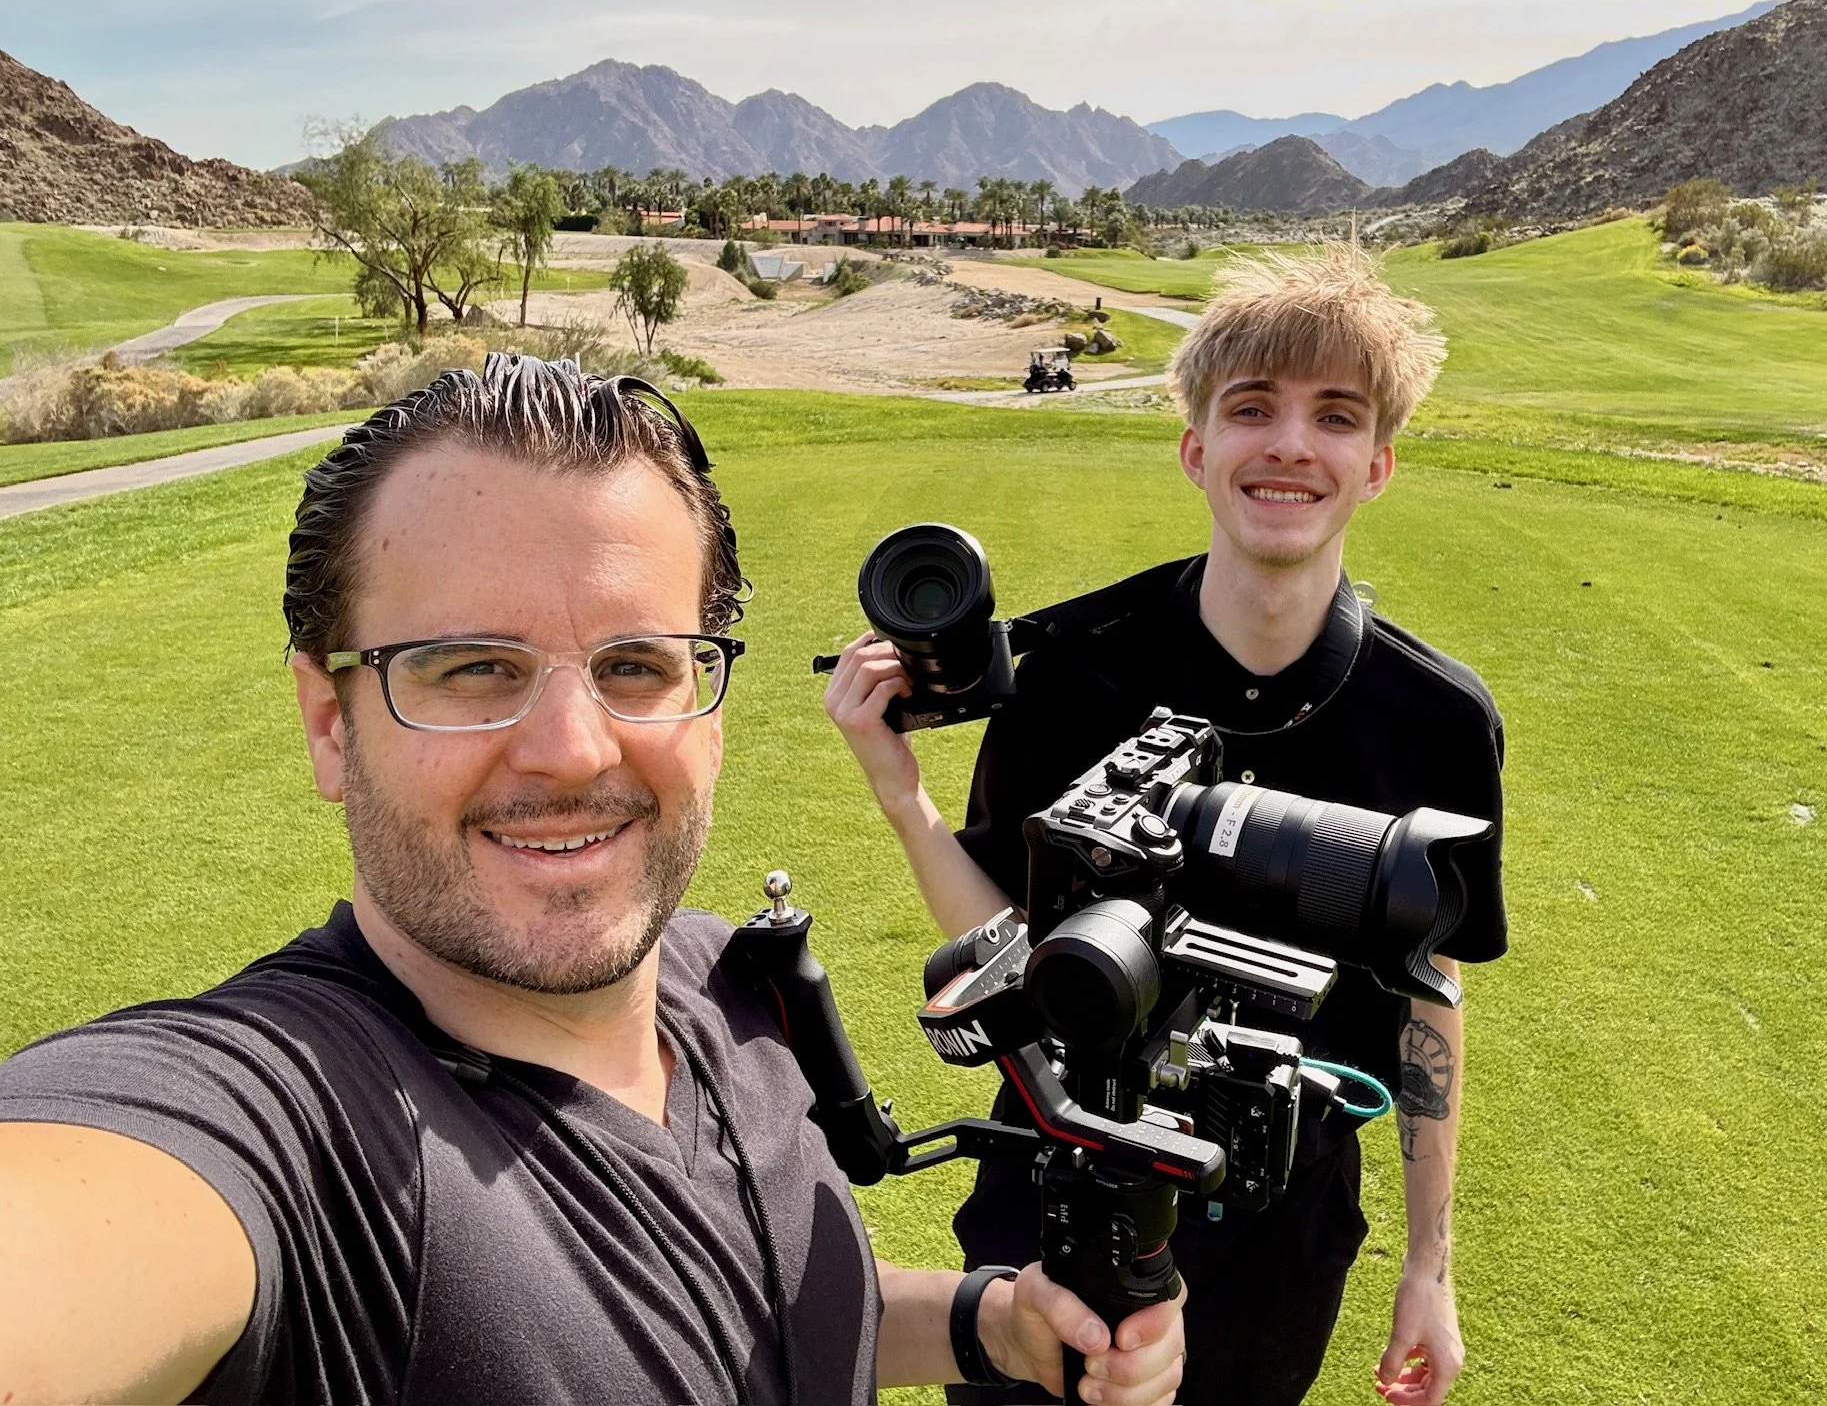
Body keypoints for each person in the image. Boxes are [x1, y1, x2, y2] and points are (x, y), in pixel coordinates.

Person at [0, 356, 1186, 1406]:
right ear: (328, 721)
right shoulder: (287, 1128)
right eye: (468, 666)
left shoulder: (726, 979)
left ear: (707, 706)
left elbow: (750, 1296)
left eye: (634, 662)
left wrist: (990, 1327)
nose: (573, 748)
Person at [824, 245, 1508, 1406]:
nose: (1289, 444)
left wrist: (1428, 1266)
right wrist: (904, 801)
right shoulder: (1075, 673)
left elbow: (1425, 995)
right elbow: (1012, 946)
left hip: (1276, 1224)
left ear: (1377, 463)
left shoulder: (1436, 717)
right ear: (1197, 447)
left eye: (1333, 416)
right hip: (1057, 1188)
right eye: (1252, 409)